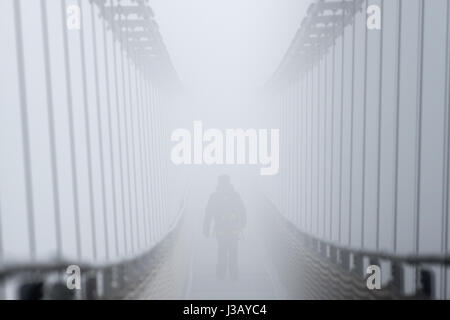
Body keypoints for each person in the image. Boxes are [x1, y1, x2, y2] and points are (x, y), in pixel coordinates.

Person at [203, 175, 247, 281]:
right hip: (234, 231)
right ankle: (234, 275)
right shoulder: (235, 196)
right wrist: (243, 224)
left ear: (219, 182)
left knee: (221, 251)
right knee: (233, 252)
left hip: (220, 231)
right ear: (229, 182)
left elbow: (208, 213)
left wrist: (206, 228)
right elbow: (243, 211)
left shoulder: (214, 196)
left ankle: (220, 275)